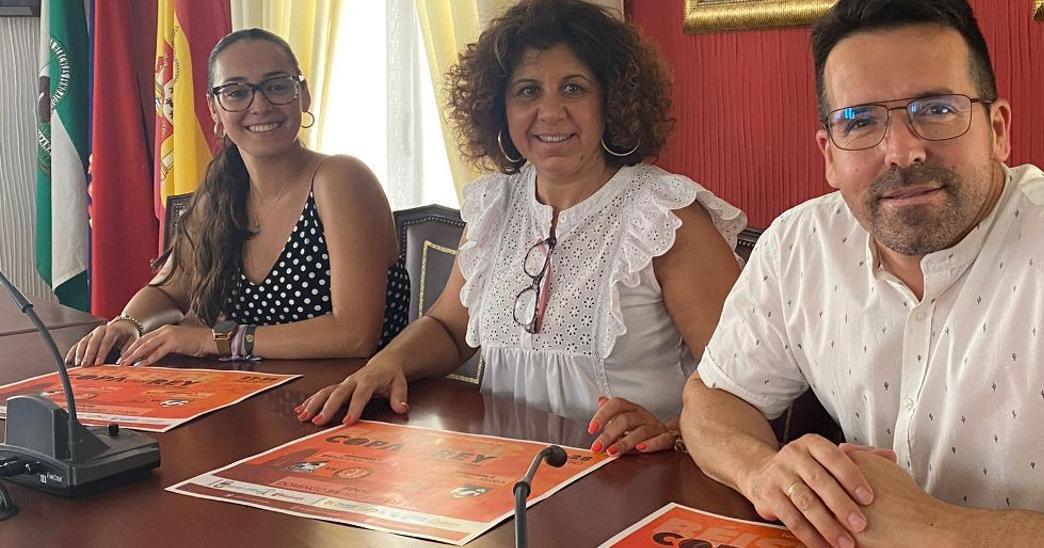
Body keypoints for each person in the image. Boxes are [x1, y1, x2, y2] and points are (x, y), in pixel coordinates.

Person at [681, 1, 1044, 546]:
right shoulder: (798, 247)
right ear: (829, 156)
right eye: (860, 121)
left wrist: (936, 529)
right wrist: (762, 472)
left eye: (936, 109)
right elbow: (712, 399)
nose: (902, 151)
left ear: (998, 130)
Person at [298, 0, 745, 457]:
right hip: (505, 475)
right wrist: (388, 361)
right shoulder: (494, 204)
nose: (549, 112)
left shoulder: (664, 216)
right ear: (500, 107)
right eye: (528, 91)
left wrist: (670, 430)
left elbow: (742, 375)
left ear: (611, 100)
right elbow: (450, 329)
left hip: (636, 480)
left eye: (573, 88)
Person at [66, 29, 410, 367]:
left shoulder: (340, 179)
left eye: (277, 86)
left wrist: (212, 341)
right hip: (259, 399)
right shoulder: (222, 191)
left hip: (358, 404)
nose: (259, 105)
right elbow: (169, 290)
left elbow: (354, 335)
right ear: (214, 109)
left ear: (303, 96)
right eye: (236, 92)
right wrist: (129, 323)